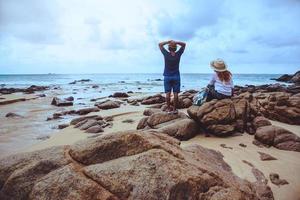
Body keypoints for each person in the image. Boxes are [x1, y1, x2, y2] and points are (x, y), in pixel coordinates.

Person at [159, 40, 186, 114]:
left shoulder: (166, 54)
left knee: (167, 94)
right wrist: (176, 42)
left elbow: (160, 45)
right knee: (175, 94)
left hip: (167, 76)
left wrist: (169, 41)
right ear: (175, 48)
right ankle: (174, 109)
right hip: (176, 76)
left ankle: (168, 109)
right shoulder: (178, 54)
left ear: (169, 48)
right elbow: (184, 44)